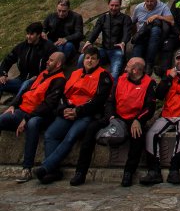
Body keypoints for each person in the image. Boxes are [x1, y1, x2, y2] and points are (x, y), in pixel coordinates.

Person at [71, 56, 156, 187]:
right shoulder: (120, 79)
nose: (125, 67)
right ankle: (80, 172)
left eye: (128, 66)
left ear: (135, 70)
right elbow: (111, 100)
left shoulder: (149, 83)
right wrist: (111, 116)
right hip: (115, 116)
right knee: (91, 129)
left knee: (138, 136)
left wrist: (138, 120)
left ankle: (128, 172)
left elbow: (150, 107)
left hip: (133, 119)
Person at [33, 46, 113, 184]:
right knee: (50, 134)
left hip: (86, 113)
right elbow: (63, 94)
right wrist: (64, 109)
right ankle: (53, 171)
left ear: (98, 61)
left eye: (93, 59)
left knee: (71, 136)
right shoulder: (75, 73)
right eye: (87, 58)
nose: (90, 61)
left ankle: (46, 167)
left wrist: (78, 111)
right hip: (68, 111)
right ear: (83, 60)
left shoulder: (103, 76)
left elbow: (98, 100)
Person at [0, 50, 66, 184]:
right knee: (2, 119)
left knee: (32, 124)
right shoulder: (43, 74)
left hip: (41, 115)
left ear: (58, 64)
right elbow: (26, 91)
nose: (47, 62)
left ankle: (27, 168)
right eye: (48, 59)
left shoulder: (59, 80)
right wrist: (13, 105)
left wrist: (27, 118)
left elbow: (48, 105)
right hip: (22, 110)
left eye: (51, 60)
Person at [140, 49, 180, 185]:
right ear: (175, 60)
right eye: (178, 59)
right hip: (168, 113)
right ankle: (154, 171)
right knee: (151, 133)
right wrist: (169, 78)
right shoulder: (168, 73)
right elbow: (159, 94)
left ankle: (174, 169)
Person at [80, 0, 131, 80]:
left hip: (117, 50)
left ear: (120, 5)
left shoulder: (125, 18)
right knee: (82, 58)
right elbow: (95, 31)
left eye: (116, 5)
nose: (114, 8)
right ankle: (79, 79)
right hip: (103, 49)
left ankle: (111, 92)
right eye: (112, 5)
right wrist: (89, 41)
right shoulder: (103, 18)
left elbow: (127, 33)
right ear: (108, 5)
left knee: (115, 72)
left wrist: (123, 42)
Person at [0, 23, 53, 96]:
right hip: (21, 80)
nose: (28, 37)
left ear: (38, 35)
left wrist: (40, 77)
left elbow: (55, 65)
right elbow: (7, 60)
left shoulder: (48, 47)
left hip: (38, 82)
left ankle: (14, 105)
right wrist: (3, 74)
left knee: (26, 84)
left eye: (31, 34)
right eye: (27, 34)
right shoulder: (21, 47)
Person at [131, 0, 173, 74]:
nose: (149, 3)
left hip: (155, 35)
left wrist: (157, 16)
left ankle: (149, 64)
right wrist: (134, 34)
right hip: (142, 35)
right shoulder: (139, 7)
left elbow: (171, 21)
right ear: (144, 0)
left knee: (155, 29)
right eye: (147, 1)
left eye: (152, 1)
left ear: (156, 0)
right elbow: (132, 22)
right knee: (135, 60)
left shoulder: (162, 6)